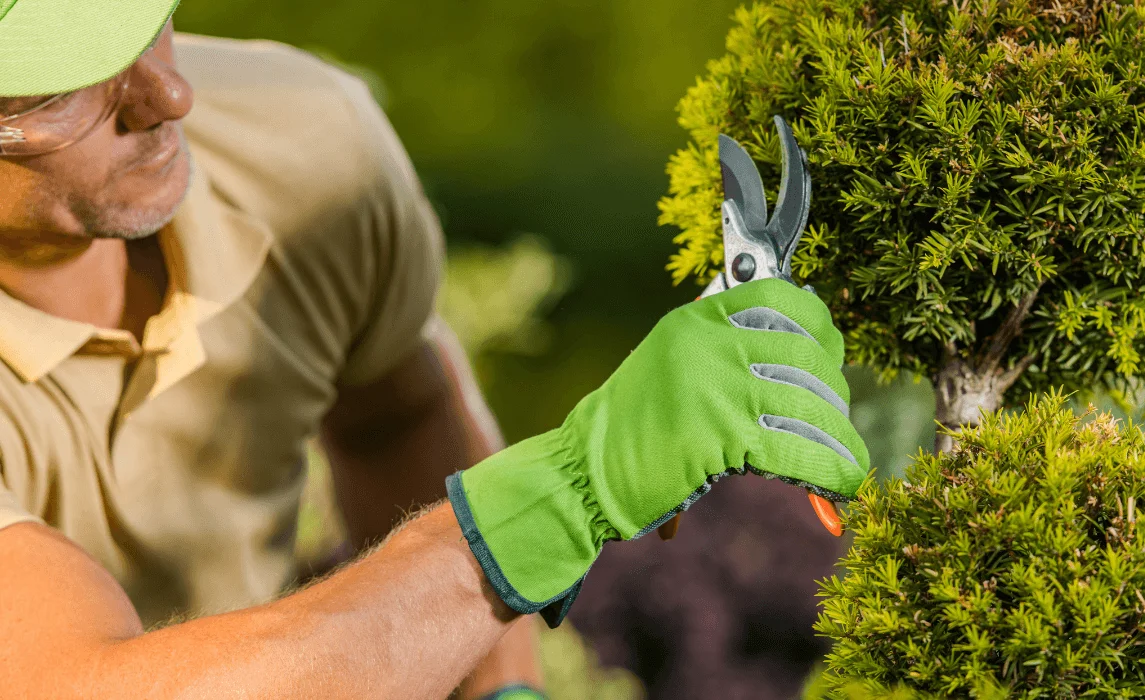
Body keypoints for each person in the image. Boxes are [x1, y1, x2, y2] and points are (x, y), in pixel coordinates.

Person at [0, 2, 870, 698]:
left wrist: (501, 687)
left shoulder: (301, 146)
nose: (168, 98)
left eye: (146, 19)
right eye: (66, 86)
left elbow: (397, 416)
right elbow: (77, 684)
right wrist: (561, 498)